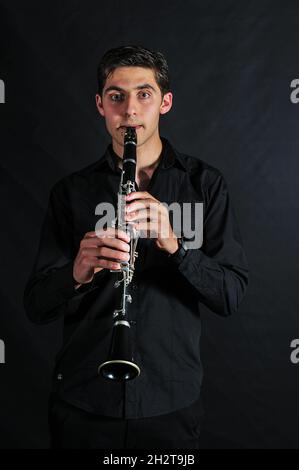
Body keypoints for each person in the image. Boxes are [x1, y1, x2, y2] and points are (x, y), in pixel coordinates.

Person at [23, 45, 249, 449]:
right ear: (100, 104)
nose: (130, 110)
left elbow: (230, 295)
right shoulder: (71, 192)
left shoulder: (204, 185)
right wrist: (75, 274)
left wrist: (176, 247)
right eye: (116, 96)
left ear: (165, 102)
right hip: (85, 399)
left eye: (144, 94)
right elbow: (36, 306)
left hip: (170, 399)